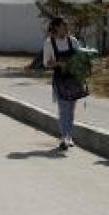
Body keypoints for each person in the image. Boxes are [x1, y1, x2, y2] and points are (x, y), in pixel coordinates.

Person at [42, 16, 81, 151]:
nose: (66, 27)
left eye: (67, 25)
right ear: (56, 27)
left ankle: (69, 136)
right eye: (64, 25)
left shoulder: (73, 41)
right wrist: (59, 63)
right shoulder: (49, 42)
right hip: (60, 79)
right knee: (63, 109)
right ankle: (64, 137)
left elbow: (80, 58)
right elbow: (46, 63)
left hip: (73, 79)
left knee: (71, 110)